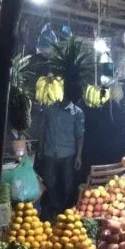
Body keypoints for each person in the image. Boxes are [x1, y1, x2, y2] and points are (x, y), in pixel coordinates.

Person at [39, 82, 84, 220]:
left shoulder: (77, 112)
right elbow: (43, 129)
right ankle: (55, 207)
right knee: (49, 183)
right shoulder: (49, 108)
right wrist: (40, 148)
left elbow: (80, 135)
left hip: (68, 154)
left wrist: (79, 156)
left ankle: (65, 210)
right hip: (50, 152)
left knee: (68, 185)